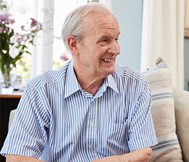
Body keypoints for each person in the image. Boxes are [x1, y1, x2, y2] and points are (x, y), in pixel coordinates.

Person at [0, 3, 157, 162]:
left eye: (116, 39)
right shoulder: (41, 89)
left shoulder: (135, 84)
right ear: (74, 44)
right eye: (104, 40)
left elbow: (144, 153)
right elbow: (17, 157)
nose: (116, 49)